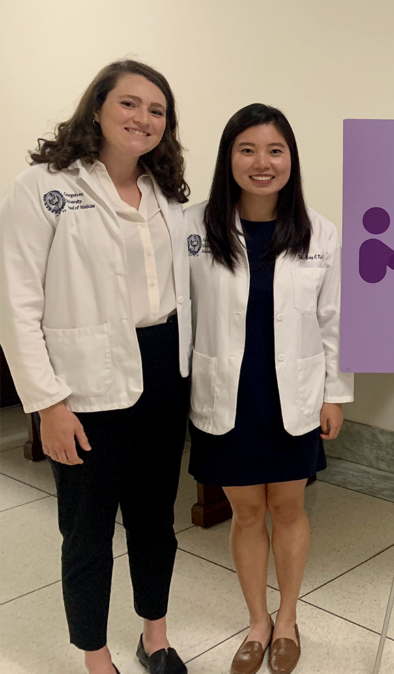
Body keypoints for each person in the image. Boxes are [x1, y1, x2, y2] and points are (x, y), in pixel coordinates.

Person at [0, 60, 192, 674]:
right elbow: (16, 303)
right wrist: (47, 403)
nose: (143, 118)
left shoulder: (167, 192)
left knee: (154, 520)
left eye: (157, 110)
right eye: (130, 104)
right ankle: (95, 655)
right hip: (83, 383)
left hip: (163, 369)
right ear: (98, 110)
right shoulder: (45, 185)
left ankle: (155, 636)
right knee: (86, 530)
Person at [186, 103, 353, 674]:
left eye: (275, 150)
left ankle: (288, 619)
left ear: (291, 159)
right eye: (248, 150)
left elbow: (335, 319)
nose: (262, 163)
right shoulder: (195, 225)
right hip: (225, 392)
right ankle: (257, 621)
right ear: (229, 157)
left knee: (287, 506)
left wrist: (335, 393)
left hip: (293, 393)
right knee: (246, 512)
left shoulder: (319, 229)